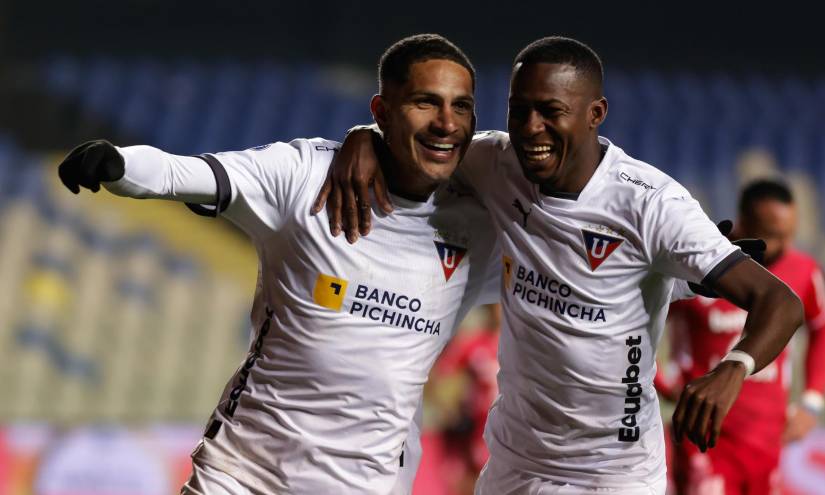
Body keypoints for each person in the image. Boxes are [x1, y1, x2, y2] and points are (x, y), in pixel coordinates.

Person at [313, 36, 804, 494]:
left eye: (551, 112)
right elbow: (416, 141)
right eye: (518, 110)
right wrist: (364, 136)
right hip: (514, 461)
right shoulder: (494, 162)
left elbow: (779, 301)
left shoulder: (654, 205)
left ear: (596, 114)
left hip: (613, 472)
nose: (530, 129)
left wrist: (732, 370)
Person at [56, 34, 503, 494]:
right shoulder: (304, 174)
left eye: (462, 106)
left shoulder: (480, 224)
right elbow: (181, 173)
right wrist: (117, 165)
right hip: (243, 474)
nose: (447, 122)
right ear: (383, 111)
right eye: (426, 103)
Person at [660, 179, 825, 495]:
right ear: (744, 225)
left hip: (768, 438)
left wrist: (812, 401)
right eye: (773, 235)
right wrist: (662, 382)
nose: (784, 245)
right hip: (705, 437)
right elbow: (639, 324)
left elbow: (821, 329)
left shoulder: (803, 272)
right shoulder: (700, 268)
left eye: (789, 234)